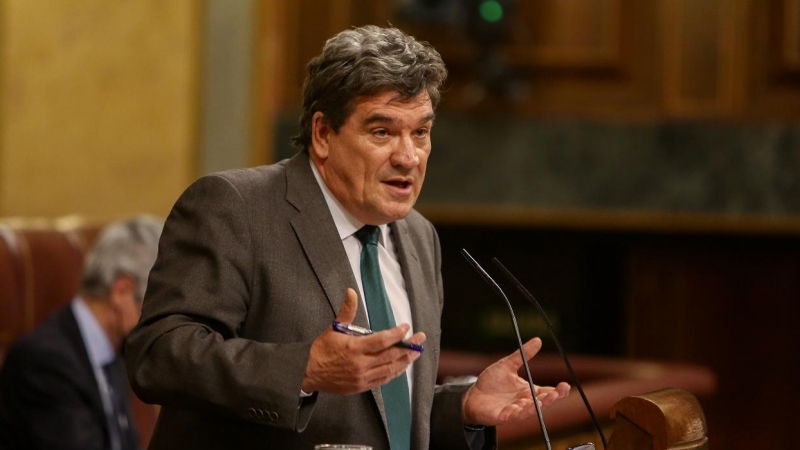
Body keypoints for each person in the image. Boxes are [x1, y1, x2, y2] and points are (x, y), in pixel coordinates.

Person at [124, 25, 570, 450]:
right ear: (322, 133)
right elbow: (158, 356)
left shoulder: (418, 236)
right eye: (382, 132)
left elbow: (379, 413)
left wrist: (464, 407)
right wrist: (305, 369)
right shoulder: (236, 207)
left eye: (421, 132)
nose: (409, 156)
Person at [0, 215, 163, 450]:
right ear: (122, 292)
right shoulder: (43, 364)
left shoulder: (115, 351)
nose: (162, 320)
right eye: (158, 304)